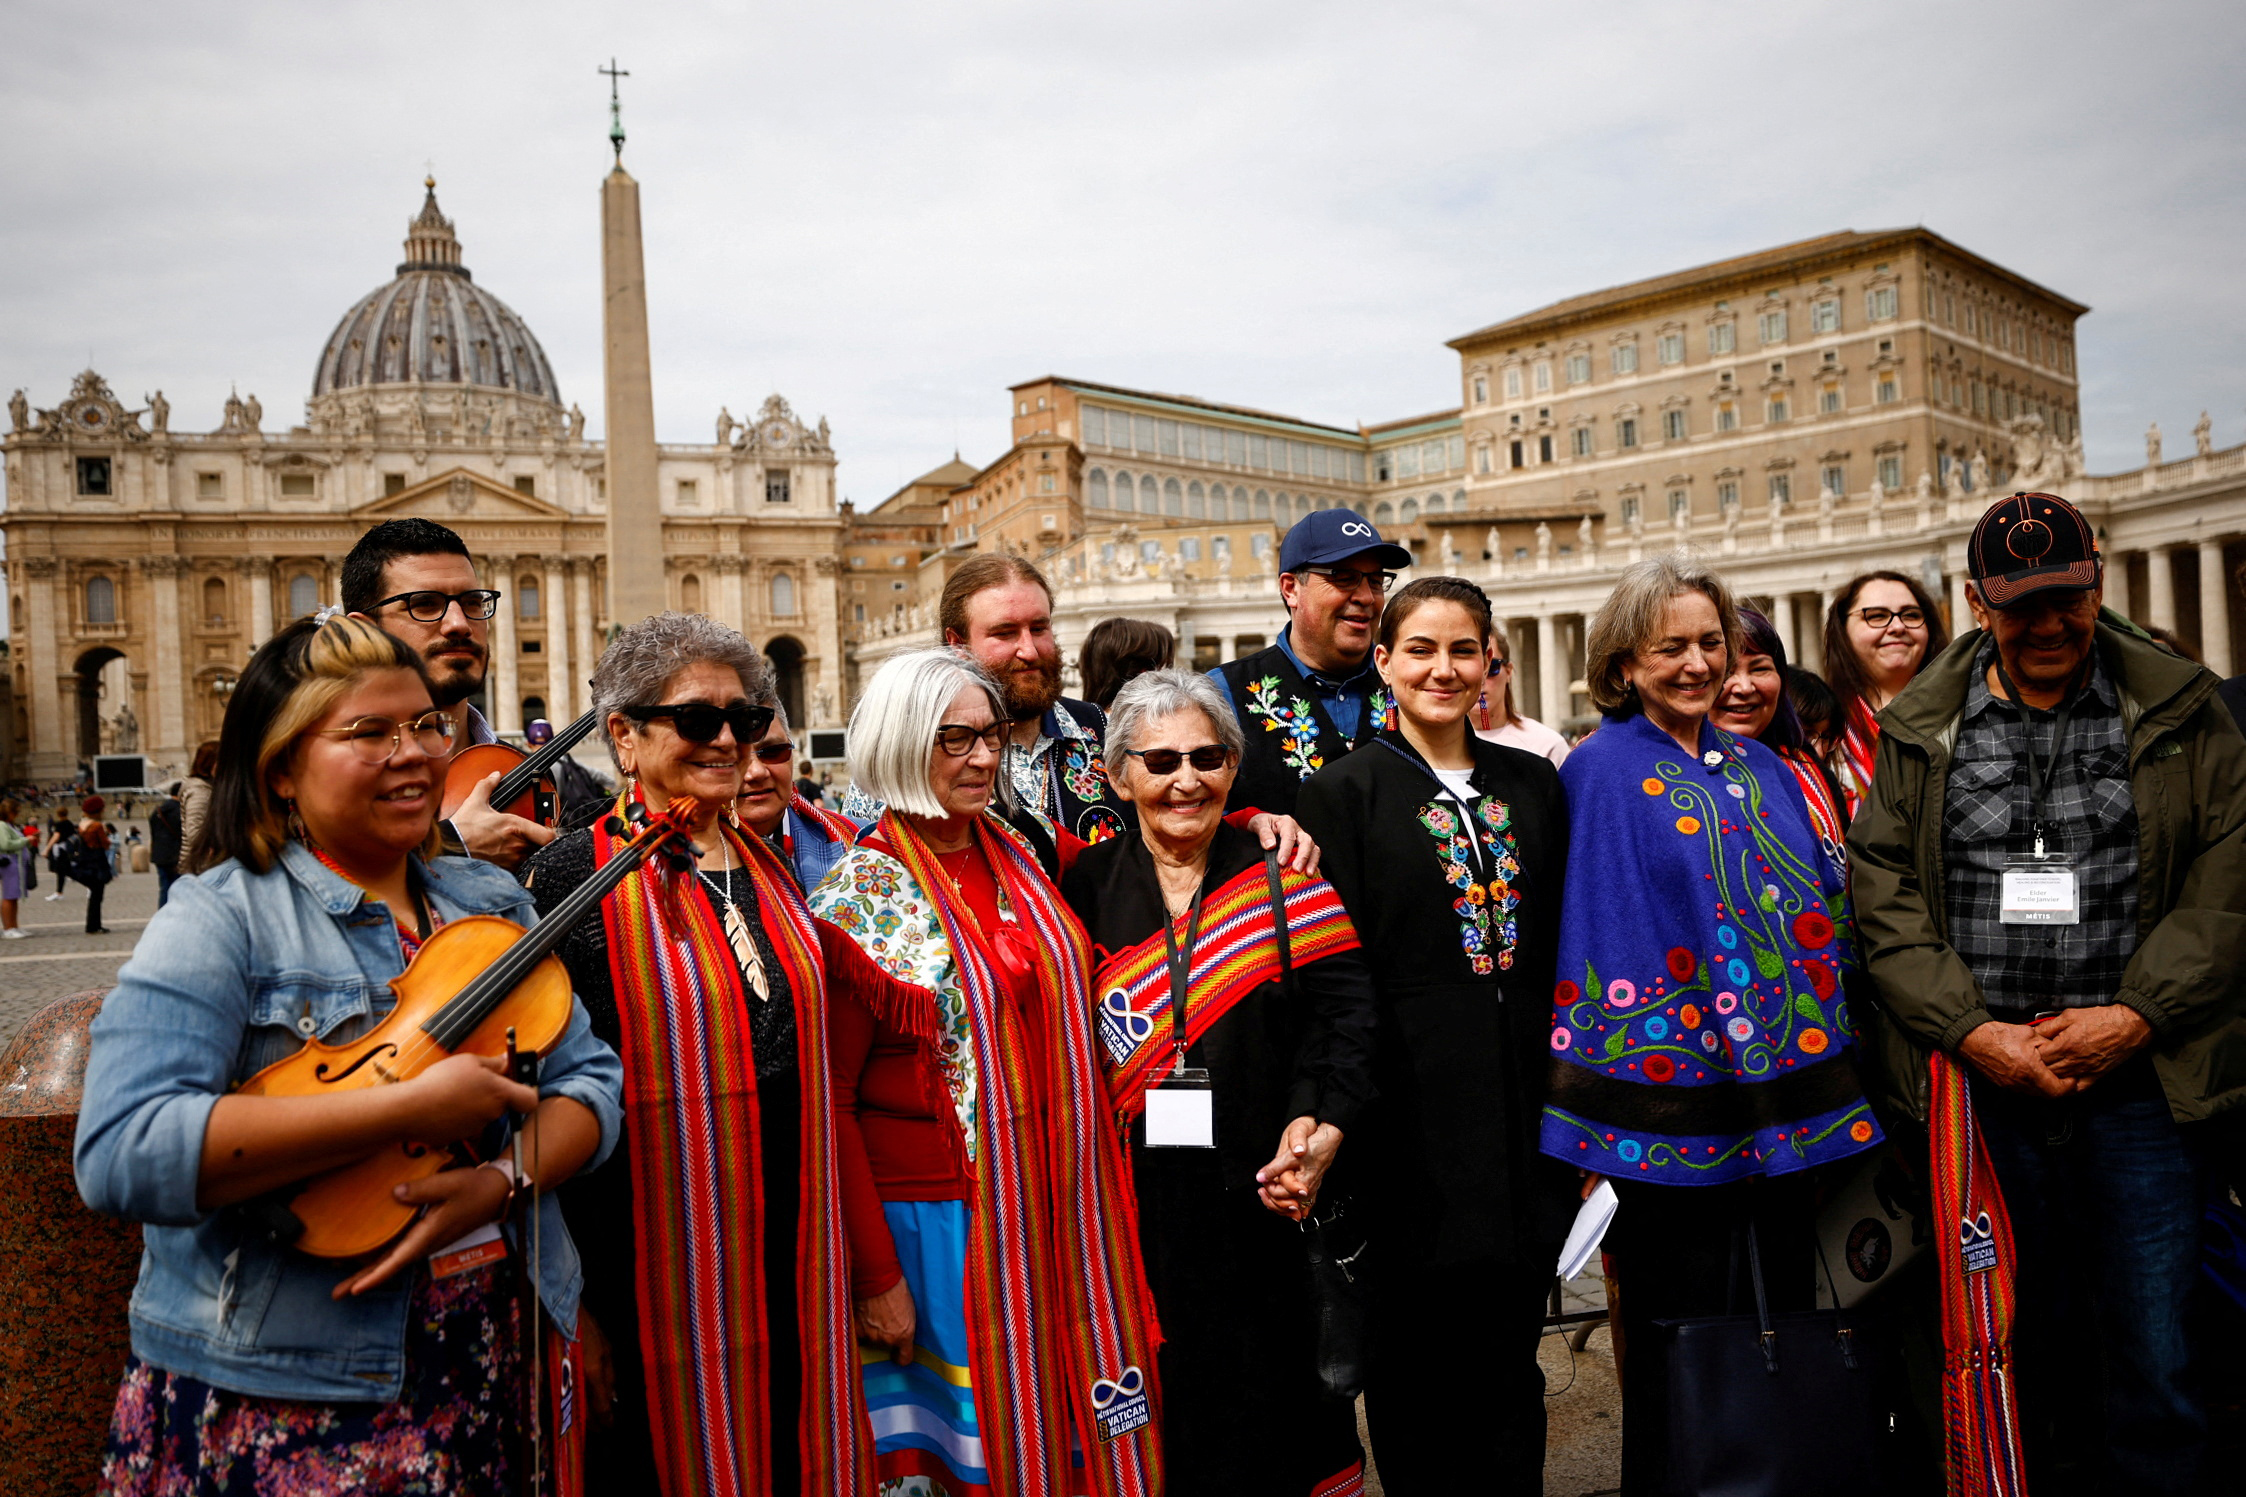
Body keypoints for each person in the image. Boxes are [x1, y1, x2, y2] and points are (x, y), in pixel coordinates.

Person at [74, 614, 622, 1493]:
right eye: (369, 732)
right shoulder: (219, 917)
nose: (413, 753)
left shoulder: (488, 900)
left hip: (492, 1351)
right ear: (282, 767)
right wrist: (404, 1108)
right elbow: (122, 1151)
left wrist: (499, 1178)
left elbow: (591, 1086)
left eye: (424, 725)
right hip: (290, 1391)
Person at [1850, 491, 2246, 1497]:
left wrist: (2135, 1015)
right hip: (1984, 1094)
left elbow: (2225, 880)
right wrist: (1970, 1032)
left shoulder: (2183, 709)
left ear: (2096, 582)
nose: (2047, 626)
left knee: (2157, 1351)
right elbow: (1882, 896)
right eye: (2020, 605)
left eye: (2064, 598)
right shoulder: (1918, 729)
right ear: (1980, 604)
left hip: (2141, 1089)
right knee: (2017, 1345)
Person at [520, 612, 903, 1494]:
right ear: (623, 733)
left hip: (794, 1265)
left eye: (747, 716)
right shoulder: (571, 878)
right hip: (645, 1274)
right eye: (698, 720)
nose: (731, 738)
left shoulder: (769, 861)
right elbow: (536, 1091)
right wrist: (570, 1298)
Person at [1539, 555, 1882, 1496]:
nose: (1700, 664)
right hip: (1663, 1117)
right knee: (1673, 1335)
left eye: (1710, 643)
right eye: (1672, 646)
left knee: (1779, 1312)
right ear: (1622, 661)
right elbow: (1601, 931)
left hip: (1787, 1103)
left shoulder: (1763, 762)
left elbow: (1811, 915)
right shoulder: (1602, 768)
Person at [811, 648, 1163, 1497]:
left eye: (992, 735)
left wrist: (1257, 819)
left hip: (1051, 1208)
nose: (981, 756)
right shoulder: (859, 896)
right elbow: (836, 1102)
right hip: (937, 1228)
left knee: (1065, 1430)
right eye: (953, 738)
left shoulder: (1018, 851)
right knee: (977, 1456)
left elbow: (1160, 835)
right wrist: (875, 1275)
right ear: (899, 742)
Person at [1060, 669, 1377, 1496]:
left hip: (1271, 1197)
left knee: (1279, 1414)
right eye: (1160, 760)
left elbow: (1345, 1023)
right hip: (1139, 1212)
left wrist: (1321, 1127)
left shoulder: (1286, 871)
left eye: (1207, 756)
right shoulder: (1082, 889)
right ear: (1117, 773)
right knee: (1175, 1421)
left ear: (1235, 767)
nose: (1185, 779)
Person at [1293, 577, 1578, 1494]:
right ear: (1384, 661)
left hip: (1521, 1133)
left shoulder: (1533, 783)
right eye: (1420, 648)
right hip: (1404, 1137)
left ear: (1490, 660)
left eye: (1464, 650)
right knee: (1414, 1376)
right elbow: (1333, 979)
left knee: (1510, 1369)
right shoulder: (1342, 794)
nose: (1443, 669)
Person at [342, 517, 549, 869]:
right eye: (424, 604)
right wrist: (450, 846)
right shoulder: (330, 772)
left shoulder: (525, 772)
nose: (459, 624)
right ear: (364, 631)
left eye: (471, 602)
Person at [1211, 509, 1413, 818]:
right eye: (1343, 578)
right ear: (1291, 588)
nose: (1366, 597)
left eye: (1375, 581)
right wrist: (1245, 824)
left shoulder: (1411, 681)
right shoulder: (1222, 693)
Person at [1712, 606, 1848, 846]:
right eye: (1727, 671)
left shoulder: (1812, 773)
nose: (1744, 687)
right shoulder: (1663, 773)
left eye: (1760, 668)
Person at [1823, 569, 1950, 818]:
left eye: (1911, 615)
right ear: (1843, 630)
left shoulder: (1964, 712)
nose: (1898, 626)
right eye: (1877, 616)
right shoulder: (1821, 728)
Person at [737, 703, 860, 893]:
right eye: (735, 756)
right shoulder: (680, 866)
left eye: (773, 752)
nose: (756, 772)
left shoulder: (862, 840)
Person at [1471, 625, 1571, 766]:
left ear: (1509, 672)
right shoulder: (1436, 746)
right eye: (1470, 668)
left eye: (1491, 667)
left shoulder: (1548, 746)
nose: (1480, 679)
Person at [522, 716, 614, 829]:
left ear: (528, 743)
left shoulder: (525, 769)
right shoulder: (565, 762)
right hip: (569, 826)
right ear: (552, 740)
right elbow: (608, 781)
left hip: (545, 829)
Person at [1077, 617, 1176, 711]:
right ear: (1142, 673)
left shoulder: (1082, 723)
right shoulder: (1153, 723)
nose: (1164, 676)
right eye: (1157, 667)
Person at [71, 794, 115, 935]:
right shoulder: (96, 826)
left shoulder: (82, 825)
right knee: (97, 896)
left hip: (85, 862)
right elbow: (105, 844)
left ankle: (92, 924)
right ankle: (94, 925)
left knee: (93, 895)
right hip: (97, 863)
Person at [147, 781, 184, 907]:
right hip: (175, 855)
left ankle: (162, 914)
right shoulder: (180, 811)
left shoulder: (158, 811)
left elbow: (153, 832)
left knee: (164, 887)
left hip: (159, 854)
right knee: (178, 887)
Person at [0, 797, 28, 937]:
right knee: (9, 896)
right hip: (8, 862)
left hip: (15, 863)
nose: (17, 815)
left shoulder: (9, 825)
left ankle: (14, 926)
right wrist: (25, 840)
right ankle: (8, 928)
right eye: (15, 812)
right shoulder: (2, 826)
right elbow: (5, 845)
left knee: (14, 896)